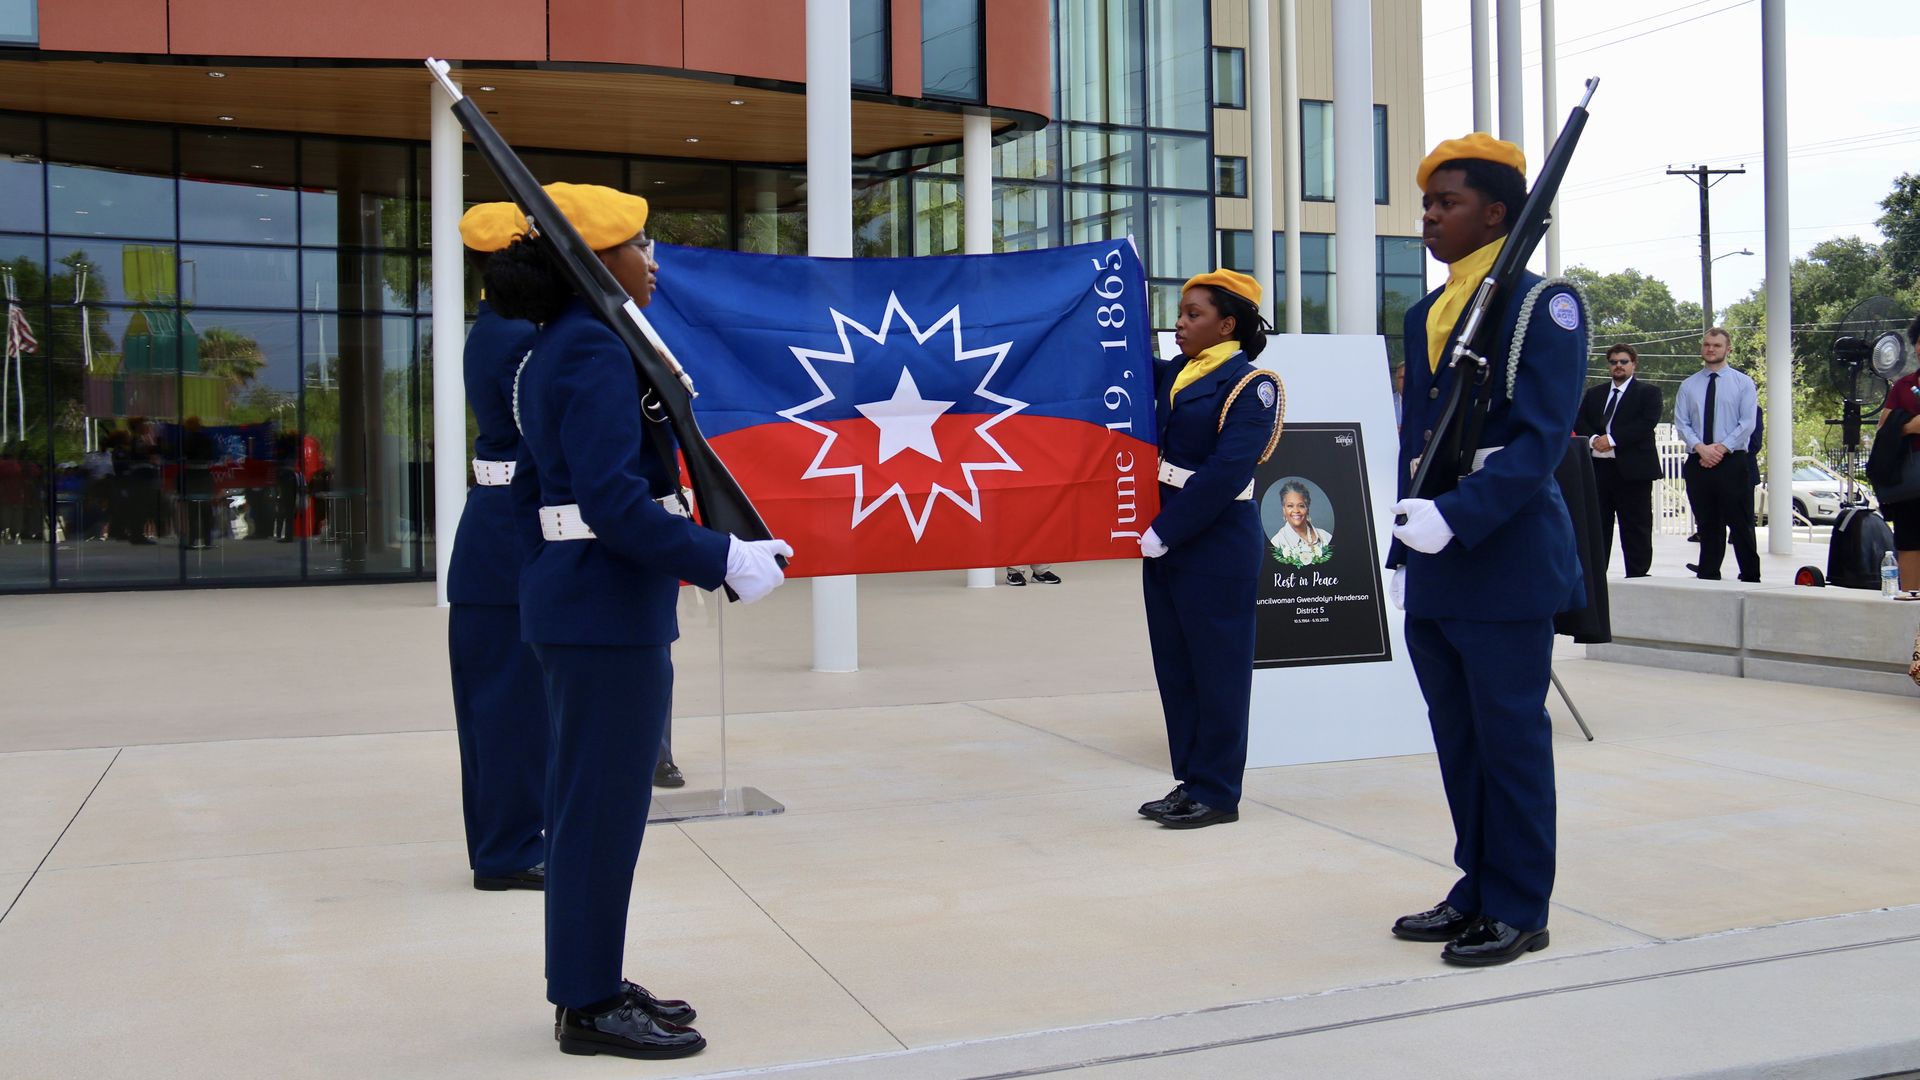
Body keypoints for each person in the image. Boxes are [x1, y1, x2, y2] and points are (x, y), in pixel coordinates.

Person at [486, 182, 792, 1061]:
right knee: (597, 815)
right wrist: (720, 557)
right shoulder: (589, 349)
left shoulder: (568, 344)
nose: (653, 262)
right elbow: (616, 506)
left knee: (595, 808)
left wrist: (552, 569)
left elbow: (536, 500)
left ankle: (594, 980)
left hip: (585, 601)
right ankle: (586, 1003)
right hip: (601, 610)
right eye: (638, 246)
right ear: (593, 261)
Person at [1387, 133, 1587, 967]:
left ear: (1498, 213)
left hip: (1500, 558)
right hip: (1436, 560)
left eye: (1448, 203)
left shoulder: (1542, 307)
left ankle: (1518, 905)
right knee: (1459, 739)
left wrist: (1458, 516)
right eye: (1428, 204)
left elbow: (1539, 444)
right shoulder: (1423, 312)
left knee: (1508, 740)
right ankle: (1476, 884)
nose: (1429, 217)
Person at [1135, 268, 1282, 831]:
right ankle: (1189, 780)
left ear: (1228, 325)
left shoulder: (1252, 385)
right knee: (1177, 667)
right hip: (1169, 536)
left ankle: (1218, 791)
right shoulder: (1180, 371)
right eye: (1180, 312)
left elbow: (1226, 472)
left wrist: (1168, 529)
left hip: (1214, 540)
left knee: (1218, 671)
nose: (1180, 322)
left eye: (1193, 314)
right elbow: (1127, 367)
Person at [446, 202, 548, 893]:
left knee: (501, 707)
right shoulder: (519, 336)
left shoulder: (499, 326)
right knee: (508, 709)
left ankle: (506, 842)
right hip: (510, 532)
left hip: (494, 528)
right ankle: (508, 850)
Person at [1675, 327, 1760, 582]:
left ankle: (1750, 576)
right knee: (1708, 524)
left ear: (1728, 349)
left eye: (1717, 345)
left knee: (1740, 523)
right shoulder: (1688, 385)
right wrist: (1701, 448)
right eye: (1707, 344)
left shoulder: (1743, 383)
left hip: (1732, 461)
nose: (1711, 349)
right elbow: (1682, 423)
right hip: (1698, 461)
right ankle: (1708, 574)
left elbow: (1747, 423)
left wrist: (1720, 449)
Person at [1573, 343, 1662, 577]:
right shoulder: (1595, 394)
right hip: (1599, 469)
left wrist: (1612, 439)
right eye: (1614, 362)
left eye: (1623, 361)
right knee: (1598, 524)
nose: (1618, 366)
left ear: (1633, 363)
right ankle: (1595, 576)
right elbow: (1580, 421)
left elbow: (1645, 424)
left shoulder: (1648, 393)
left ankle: (1638, 573)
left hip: (1632, 471)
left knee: (1636, 525)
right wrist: (1594, 439)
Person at [1875, 314, 1920, 588]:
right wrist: (1910, 425)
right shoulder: (1904, 386)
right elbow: (1884, 430)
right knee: (1910, 544)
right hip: (1912, 486)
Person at [1270, 480, 1332, 565]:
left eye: (1301, 506)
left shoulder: (1325, 536)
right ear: (1284, 510)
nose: (1296, 510)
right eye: (1290, 506)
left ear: (1307, 509)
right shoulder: (1276, 543)